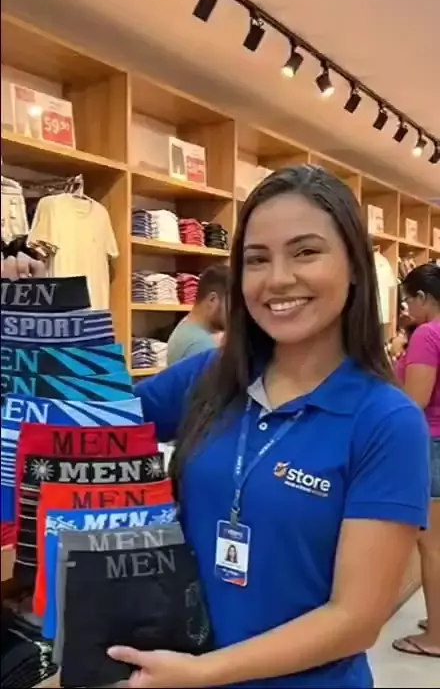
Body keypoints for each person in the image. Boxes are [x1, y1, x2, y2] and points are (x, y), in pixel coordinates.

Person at [109, 166, 430, 688]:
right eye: (257, 259)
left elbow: (355, 619)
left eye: (305, 252)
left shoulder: (386, 422)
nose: (278, 279)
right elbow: (90, 419)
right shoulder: (210, 377)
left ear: (354, 267)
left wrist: (204, 673)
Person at [392, 263, 440, 659]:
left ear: (424, 297)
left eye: (408, 300)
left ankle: (436, 637)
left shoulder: (427, 334)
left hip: (432, 444)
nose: (406, 308)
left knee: (432, 546)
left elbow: (416, 401)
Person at [167, 265, 229, 365]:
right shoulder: (200, 346)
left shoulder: (187, 326)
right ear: (212, 300)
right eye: (232, 305)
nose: (234, 313)